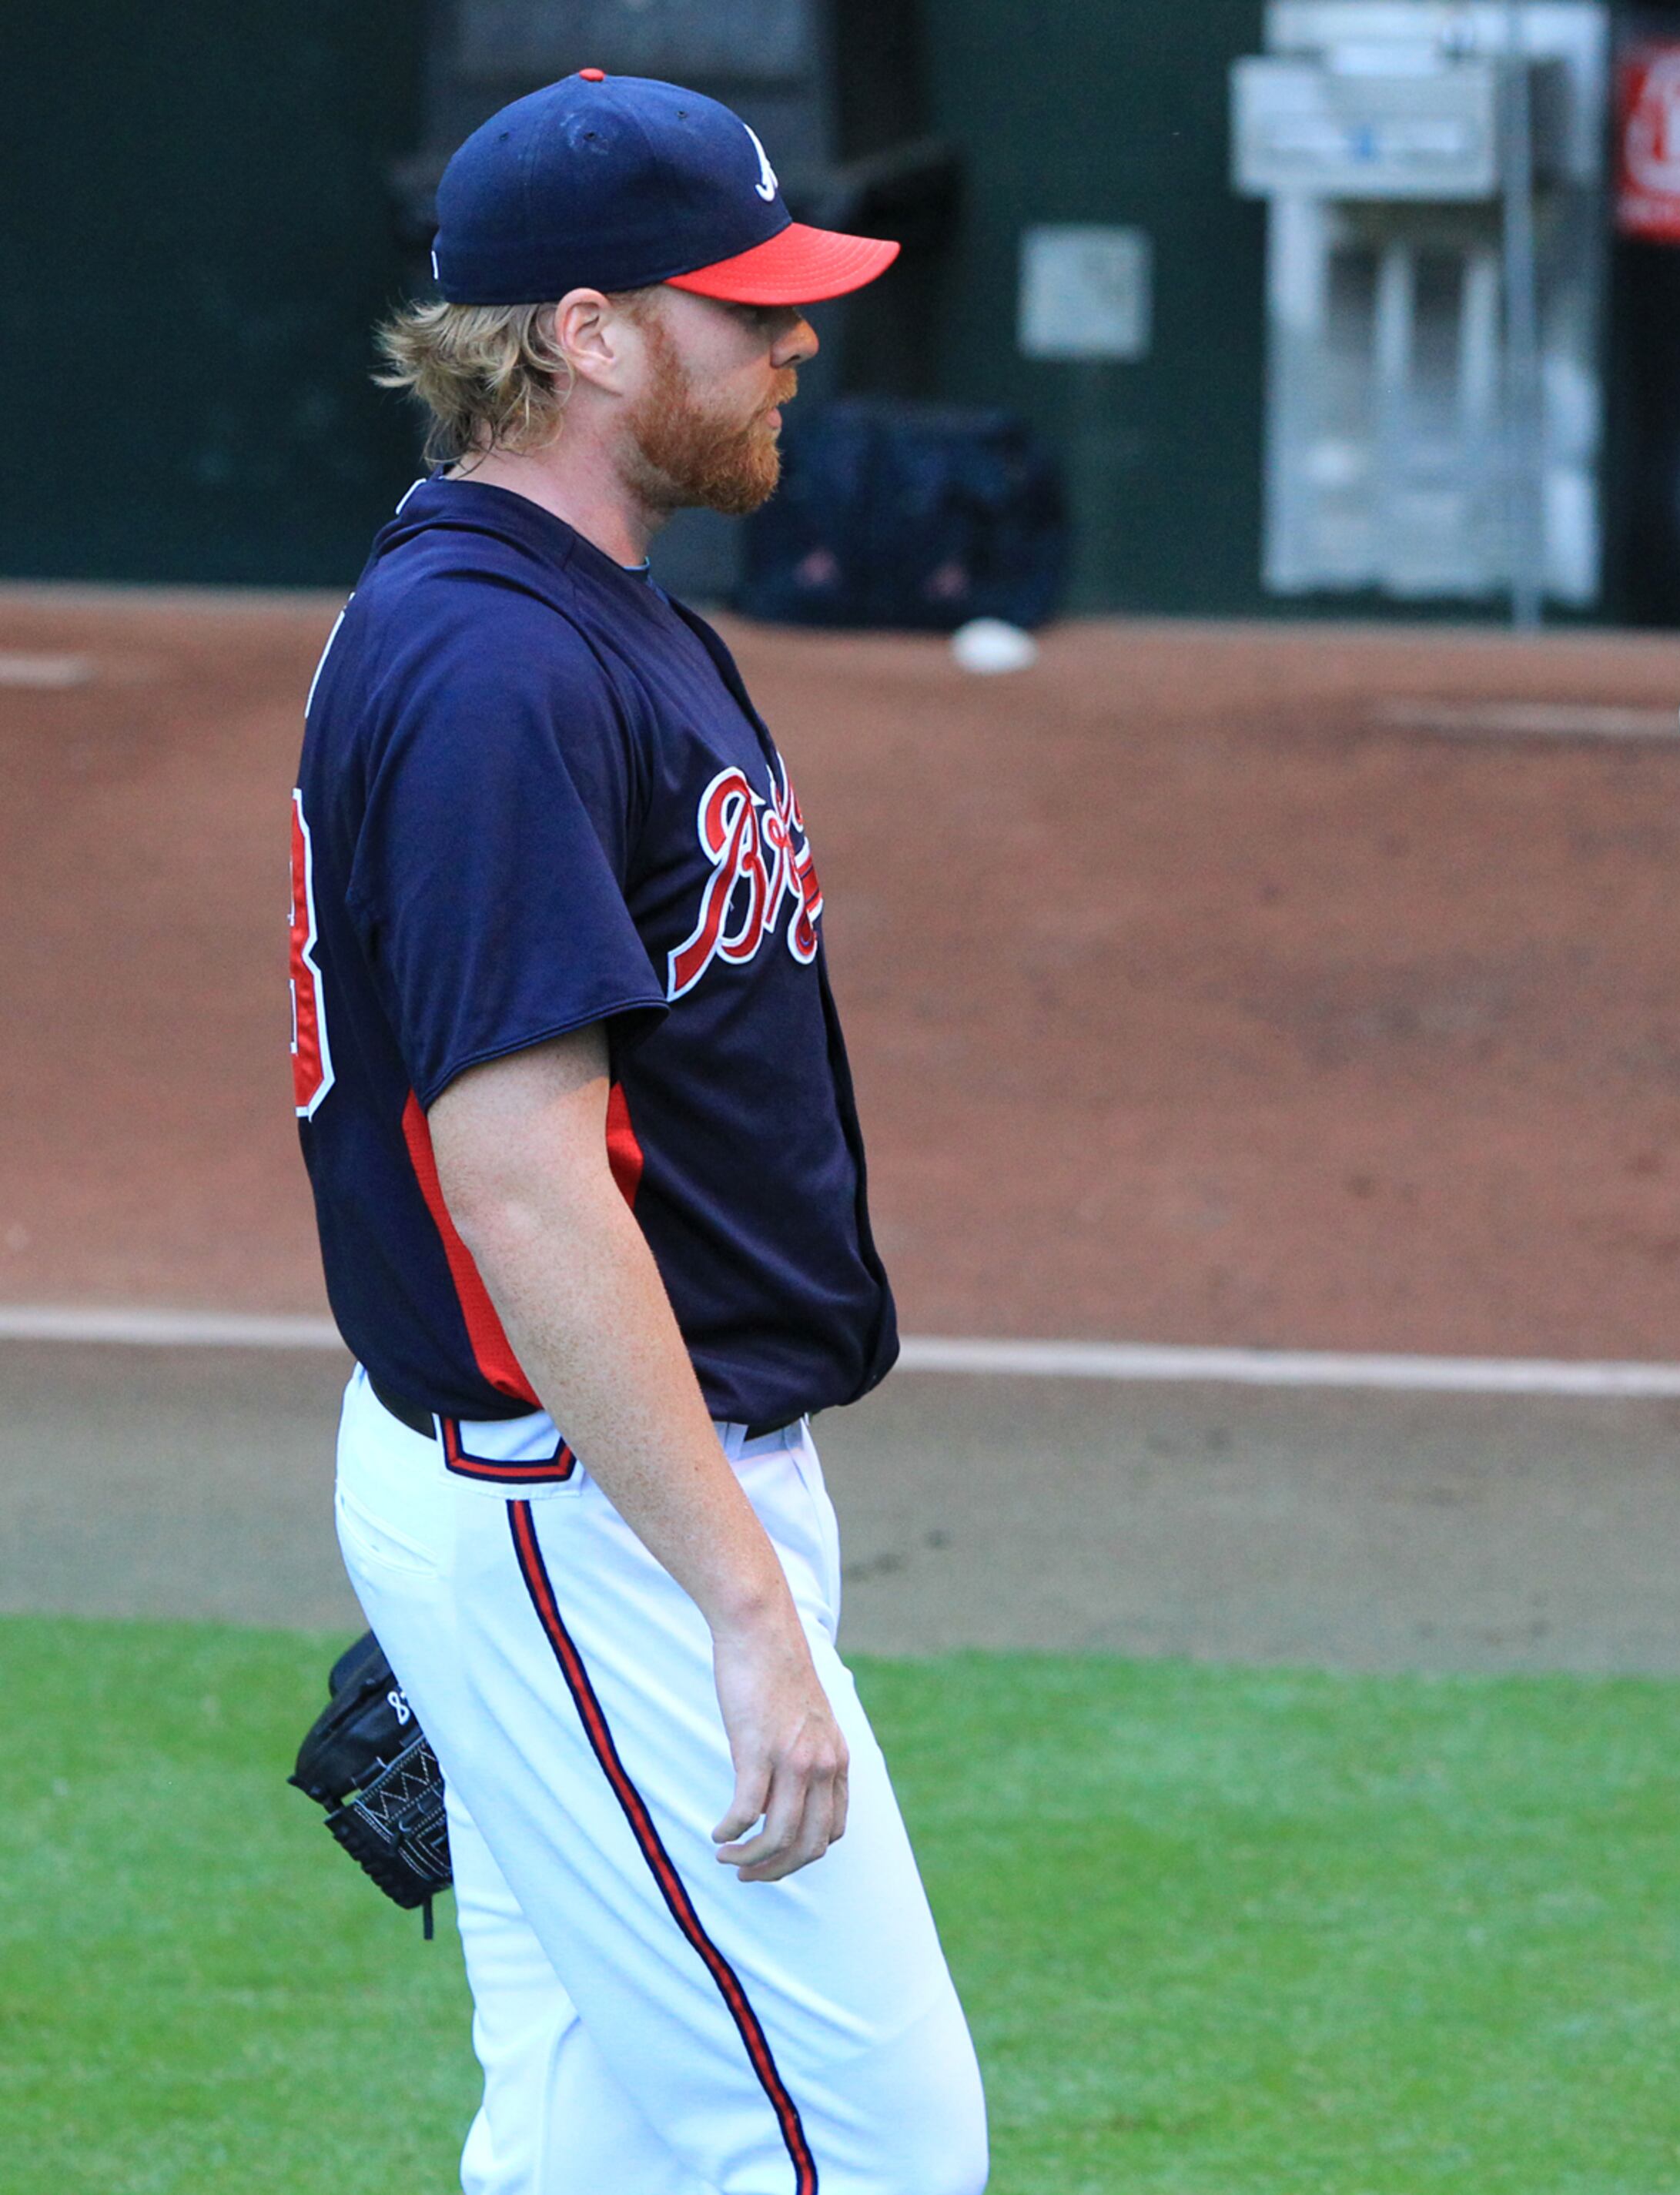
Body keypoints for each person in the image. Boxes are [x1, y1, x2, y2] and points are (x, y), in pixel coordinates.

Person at [290, 72, 988, 2194]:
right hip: (588, 1504)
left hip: (603, 1492)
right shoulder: (498, 665)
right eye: (746, 304)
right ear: (586, 333)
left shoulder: (588, 614)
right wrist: (738, 1602)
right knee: (861, 2153)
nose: (797, 340)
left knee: (599, 2145)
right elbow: (520, 1174)